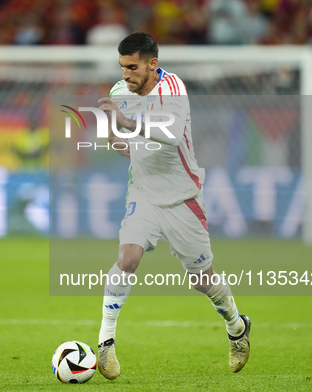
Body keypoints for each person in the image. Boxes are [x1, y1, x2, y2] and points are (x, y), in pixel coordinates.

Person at [95, 32, 251, 380]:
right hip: (144, 193)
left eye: (132, 67)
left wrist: (126, 124)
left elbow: (171, 132)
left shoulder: (173, 89)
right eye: (122, 67)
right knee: (128, 259)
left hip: (183, 197)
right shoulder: (122, 92)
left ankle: (237, 327)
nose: (125, 75)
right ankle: (105, 342)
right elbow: (117, 136)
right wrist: (113, 133)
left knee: (202, 279)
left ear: (152, 64)